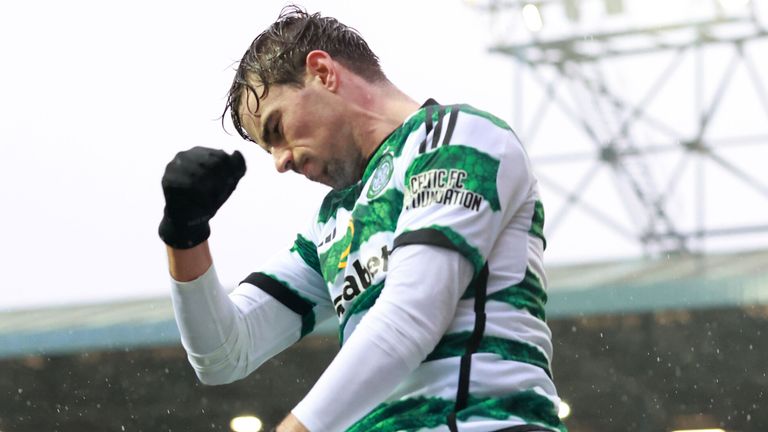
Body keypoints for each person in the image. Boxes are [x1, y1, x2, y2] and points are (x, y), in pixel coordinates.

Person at [159, 5, 567, 432]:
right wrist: (184, 233)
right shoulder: (333, 222)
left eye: (276, 128)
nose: (280, 162)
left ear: (322, 72)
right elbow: (223, 356)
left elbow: (410, 317)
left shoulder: (456, 138)